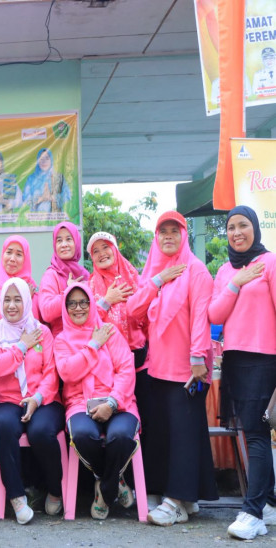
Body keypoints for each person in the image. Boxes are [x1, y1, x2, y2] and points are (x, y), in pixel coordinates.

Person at [126, 211, 217, 526]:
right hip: (158, 369)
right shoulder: (155, 270)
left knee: (184, 436)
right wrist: (158, 280)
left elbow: (201, 317)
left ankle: (176, 501)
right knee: (169, 435)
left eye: (174, 231)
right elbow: (133, 311)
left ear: (184, 235)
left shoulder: (196, 270)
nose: (167, 236)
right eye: (162, 231)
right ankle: (185, 497)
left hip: (189, 369)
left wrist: (197, 358)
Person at [208, 206, 276, 540]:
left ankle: (253, 513)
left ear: (255, 228)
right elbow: (215, 314)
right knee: (251, 432)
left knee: (257, 434)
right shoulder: (225, 270)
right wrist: (235, 283)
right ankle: (268, 503)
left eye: (243, 225)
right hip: (234, 359)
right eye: (231, 227)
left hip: (264, 359)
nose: (236, 233)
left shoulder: (270, 262)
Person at [55, 283, 139, 520]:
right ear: (65, 308)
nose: (78, 308)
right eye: (72, 303)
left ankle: (104, 491)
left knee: (120, 436)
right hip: (80, 403)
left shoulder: (109, 331)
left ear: (92, 304)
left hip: (119, 402)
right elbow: (68, 372)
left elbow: (125, 370)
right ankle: (114, 481)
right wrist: (93, 345)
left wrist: (112, 403)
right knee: (82, 435)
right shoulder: (62, 340)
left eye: (84, 302)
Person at [0, 277, 64, 524]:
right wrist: (21, 346)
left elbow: (51, 372)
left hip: (44, 398)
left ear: (27, 301)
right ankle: (17, 497)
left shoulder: (42, 331)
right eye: (7, 300)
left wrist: (37, 399)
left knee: (41, 431)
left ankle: (55, 489)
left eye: (17, 299)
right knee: (5, 426)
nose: (11, 305)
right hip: (9, 400)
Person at [87, 232, 151, 472]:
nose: (101, 253)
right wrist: (107, 300)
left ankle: (139, 481)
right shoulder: (90, 285)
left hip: (139, 360)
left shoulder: (134, 277)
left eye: (105, 247)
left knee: (141, 422)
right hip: (108, 366)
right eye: (95, 251)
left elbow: (148, 316)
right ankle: (113, 476)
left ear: (115, 249)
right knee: (110, 424)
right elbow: (87, 325)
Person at [39, 222, 90, 337]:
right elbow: (46, 313)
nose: (64, 244)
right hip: (62, 340)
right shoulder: (51, 275)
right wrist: (68, 291)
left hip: (88, 337)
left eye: (68, 239)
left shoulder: (85, 274)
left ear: (76, 242)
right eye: (59, 240)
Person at [0, 235, 39, 324]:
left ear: (25, 259)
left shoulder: (30, 283)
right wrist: (26, 296)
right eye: (9, 252)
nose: (12, 259)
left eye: (19, 254)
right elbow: (6, 320)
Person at [22, 148, 70, 213]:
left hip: (55, 217)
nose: (44, 162)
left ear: (51, 160)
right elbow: (25, 199)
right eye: (41, 159)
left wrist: (51, 197)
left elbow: (67, 196)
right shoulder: (31, 179)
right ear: (38, 161)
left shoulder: (58, 177)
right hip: (35, 217)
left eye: (47, 158)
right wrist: (41, 198)